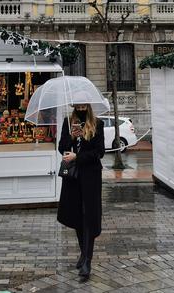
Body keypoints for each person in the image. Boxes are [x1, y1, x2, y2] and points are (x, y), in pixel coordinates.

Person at [57, 103, 105, 282]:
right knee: (77, 215)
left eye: (84, 102)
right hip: (73, 177)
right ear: (74, 104)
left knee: (89, 216)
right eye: (78, 102)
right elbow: (62, 147)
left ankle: (87, 260)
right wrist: (71, 137)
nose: (81, 105)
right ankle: (83, 253)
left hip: (91, 177)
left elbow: (99, 152)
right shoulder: (68, 122)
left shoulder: (97, 124)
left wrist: (78, 156)